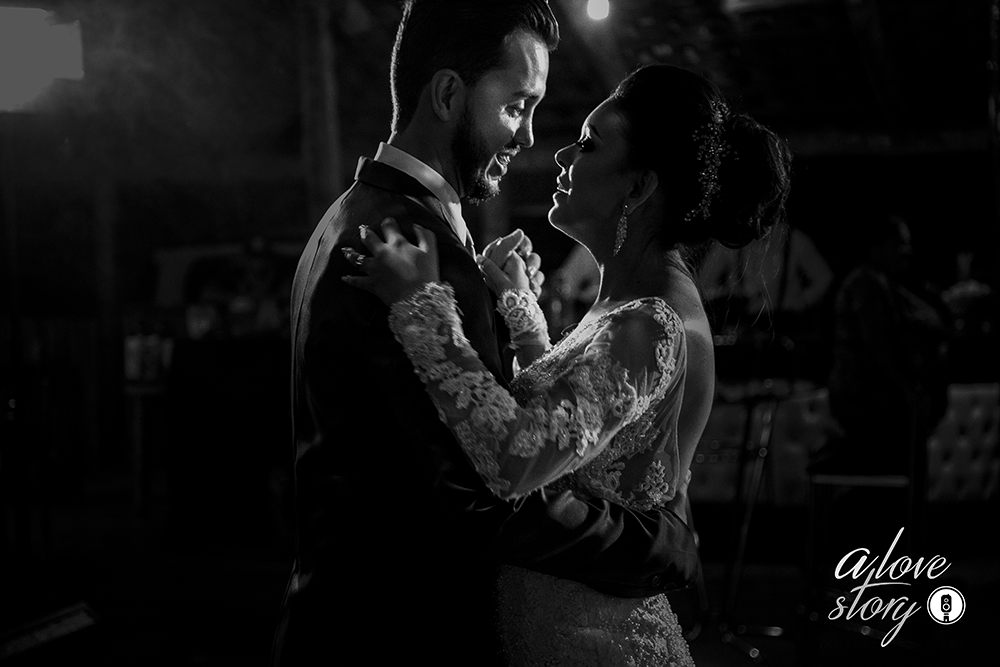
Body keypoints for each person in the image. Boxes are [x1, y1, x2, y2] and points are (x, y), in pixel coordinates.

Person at [270, 4, 703, 666]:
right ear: (448, 94)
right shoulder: (405, 244)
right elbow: (483, 497)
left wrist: (514, 316)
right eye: (517, 106)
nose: (529, 135)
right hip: (395, 634)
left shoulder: (358, 217)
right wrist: (655, 547)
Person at [346, 63, 792, 665]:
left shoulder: (652, 321)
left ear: (638, 187)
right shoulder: (633, 304)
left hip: (593, 643)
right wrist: (523, 316)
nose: (561, 156)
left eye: (589, 143)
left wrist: (423, 308)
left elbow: (519, 457)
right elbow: (585, 437)